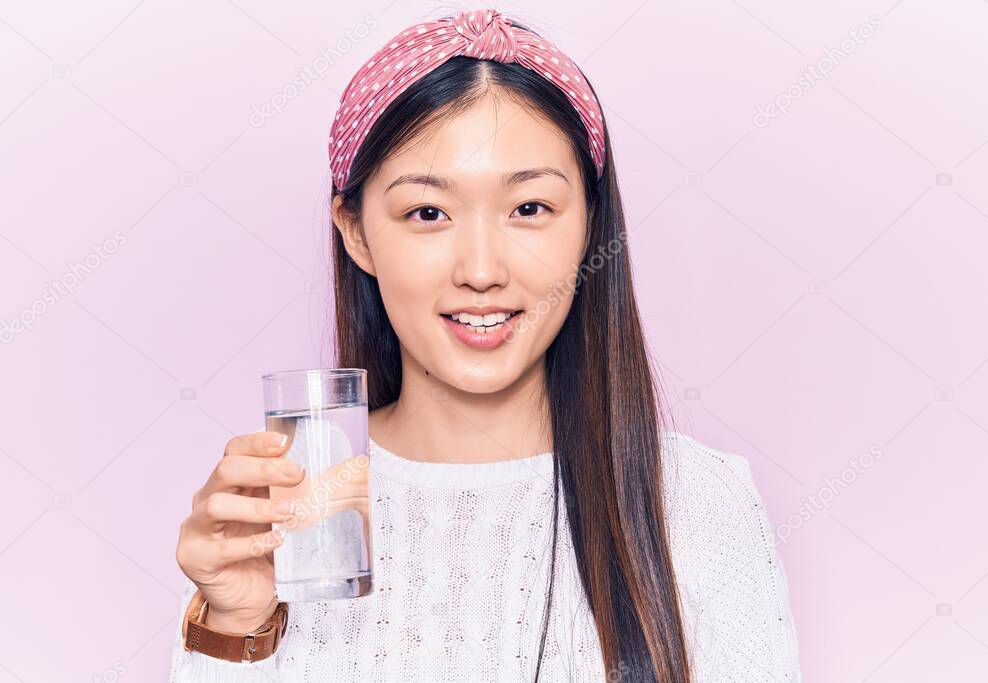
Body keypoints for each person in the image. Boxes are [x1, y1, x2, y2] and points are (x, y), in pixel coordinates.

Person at [169, 8, 801, 681]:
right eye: (427, 213)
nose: (480, 269)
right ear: (356, 232)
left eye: (529, 208)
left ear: (589, 223)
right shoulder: (291, 512)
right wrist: (233, 624)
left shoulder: (695, 503)